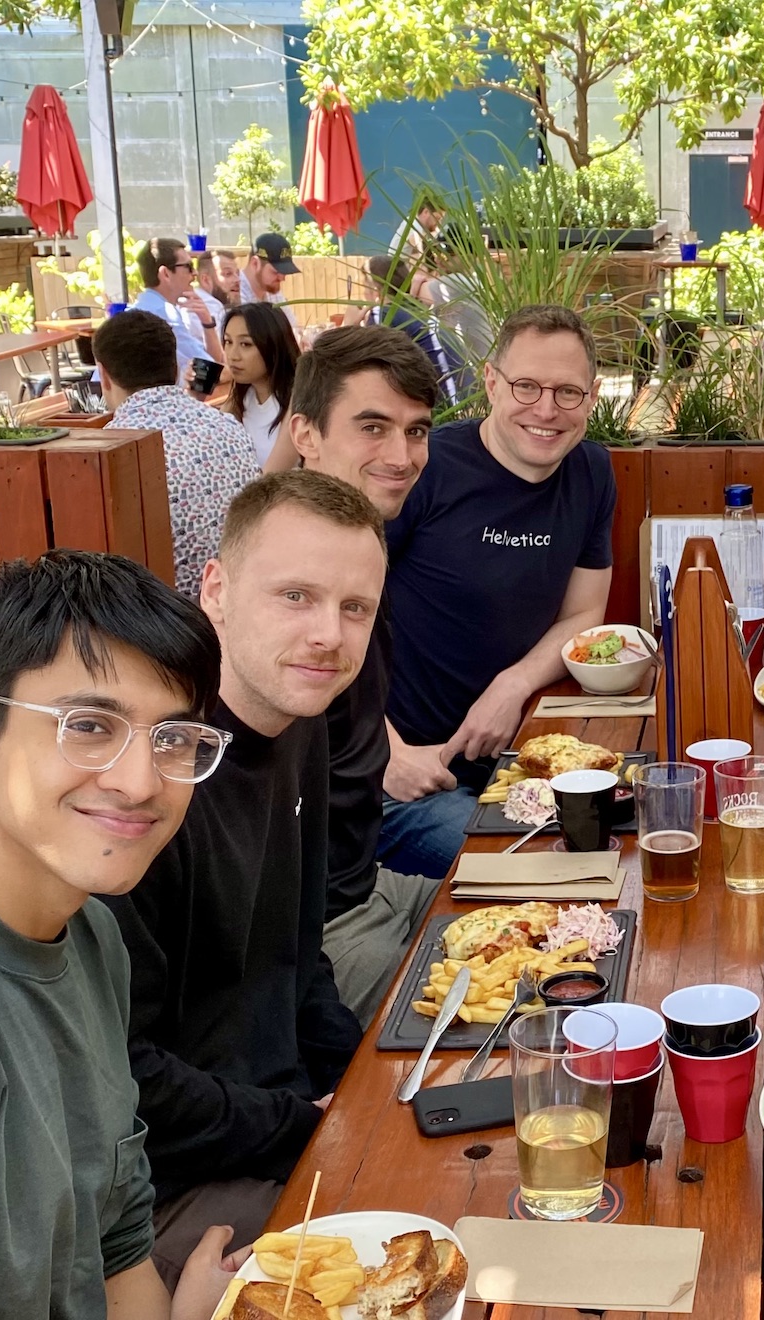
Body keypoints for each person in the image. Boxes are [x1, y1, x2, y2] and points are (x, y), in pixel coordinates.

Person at [0, 548, 245, 1320]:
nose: (141, 782)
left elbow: (116, 1238)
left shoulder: (91, 931)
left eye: (174, 739)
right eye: (89, 726)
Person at [101, 470, 382, 1286]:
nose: (328, 634)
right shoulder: (145, 785)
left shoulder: (301, 720)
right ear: (216, 591)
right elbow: (129, 1079)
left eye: (354, 607)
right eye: (295, 596)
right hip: (172, 1190)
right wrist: (305, 1127)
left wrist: (362, 1083)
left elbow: (299, 960)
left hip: (279, 1121)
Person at [379, 305, 616, 879]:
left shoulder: (592, 470)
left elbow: (584, 612)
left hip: (520, 754)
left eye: (567, 392)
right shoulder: (424, 467)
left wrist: (512, 685)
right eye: (526, 386)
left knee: (612, 836)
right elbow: (331, 621)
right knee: (540, 867)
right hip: (407, 772)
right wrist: (383, 751)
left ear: (593, 395)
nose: (546, 409)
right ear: (490, 381)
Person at [284, 324, 442, 1024]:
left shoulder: (354, 559)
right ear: (305, 434)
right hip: (321, 931)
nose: (402, 455)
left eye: (416, 432)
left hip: (372, 882)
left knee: (573, 925)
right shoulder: (283, 586)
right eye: (372, 427)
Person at [95, 311, 258, 597]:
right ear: (175, 366)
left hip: (162, 623)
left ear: (104, 375)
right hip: (241, 601)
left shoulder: (111, 448)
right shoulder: (228, 426)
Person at [365, 253, 462, 400]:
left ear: (375, 288)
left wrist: (348, 324)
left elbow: (365, 367)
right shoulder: (416, 311)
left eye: (364, 284)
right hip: (462, 397)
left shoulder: (384, 312)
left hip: (447, 404)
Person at [219, 301, 300, 470]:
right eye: (228, 342)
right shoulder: (241, 398)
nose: (233, 355)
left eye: (246, 344)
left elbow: (270, 481)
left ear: (273, 344)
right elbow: (209, 444)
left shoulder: (298, 399)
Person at [133, 237, 221, 376]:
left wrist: (207, 322)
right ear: (165, 274)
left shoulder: (144, 307)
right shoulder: (165, 315)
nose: (195, 273)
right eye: (188, 266)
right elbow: (210, 373)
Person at [240, 232, 301, 335]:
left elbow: (293, 327)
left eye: (284, 272)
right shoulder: (235, 293)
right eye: (275, 272)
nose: (282, 278)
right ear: (255, 264)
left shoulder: (272, 291)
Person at [194, 251, 232, 321]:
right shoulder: (211, 304)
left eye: (237, 273)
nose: (237, 279)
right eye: (228, 274)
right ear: (205, 280)